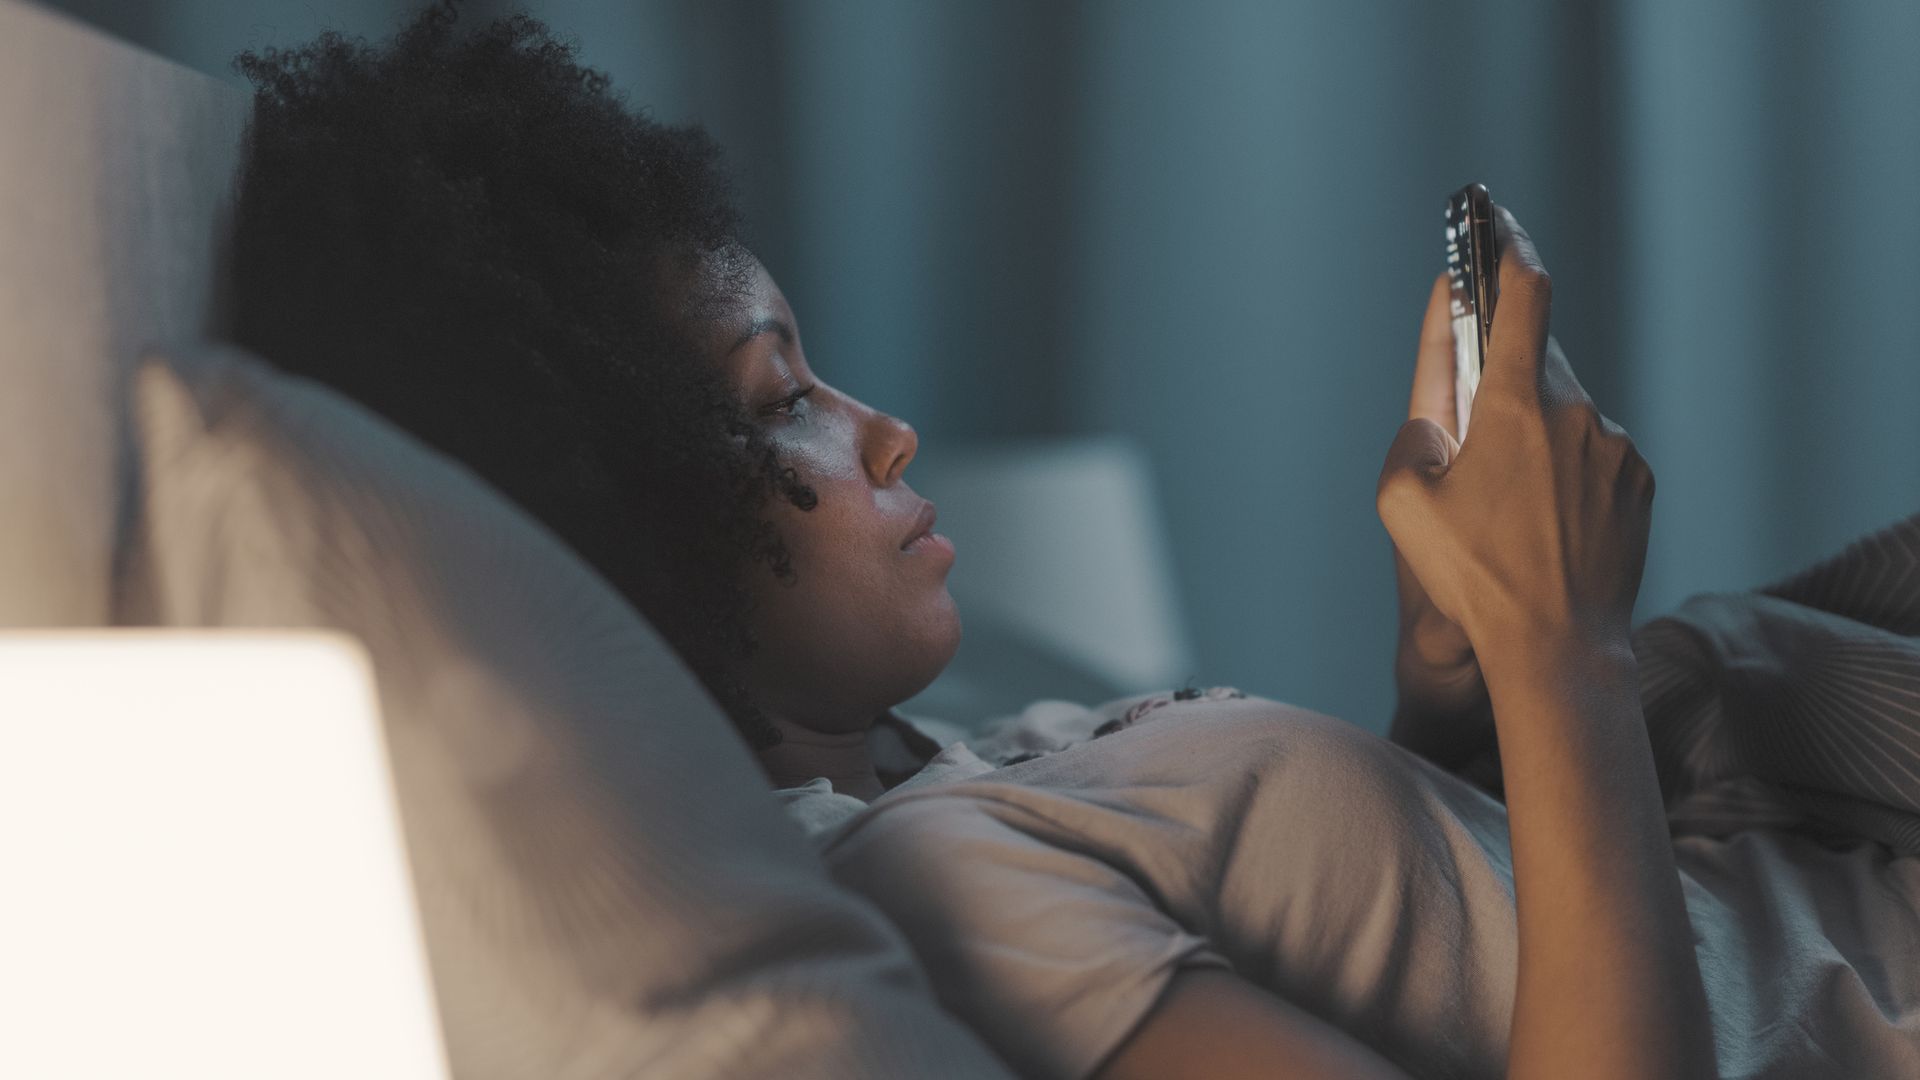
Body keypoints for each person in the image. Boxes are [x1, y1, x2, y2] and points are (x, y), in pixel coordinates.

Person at [228, 5, 1920, 1078]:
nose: (881, 428)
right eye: (775, 405)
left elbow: (1429, 957)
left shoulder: (944, 768)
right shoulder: (942, 893)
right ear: (621, 522)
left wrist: (1451, 693)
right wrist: (1572, 655)